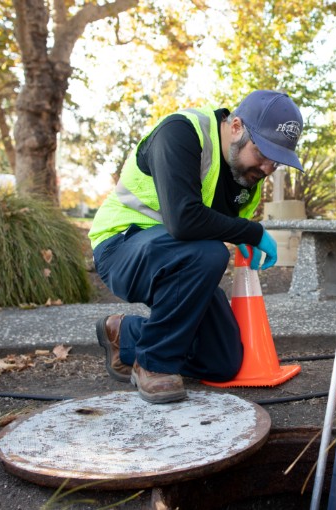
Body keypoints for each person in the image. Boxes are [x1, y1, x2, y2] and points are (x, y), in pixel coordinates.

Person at [88, 90, 304, 404]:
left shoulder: (246, 179)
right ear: (236, 127)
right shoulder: (181, 132)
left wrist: (244, 238)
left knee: (222, 362)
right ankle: (153, 363)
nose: (268, 168)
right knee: (210, 253)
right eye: (262, 153)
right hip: (121, 246)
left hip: (180, 258)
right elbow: (184, 222)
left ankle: (126, 334)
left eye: (277, 161)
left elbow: (218, 229)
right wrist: (251, 233)